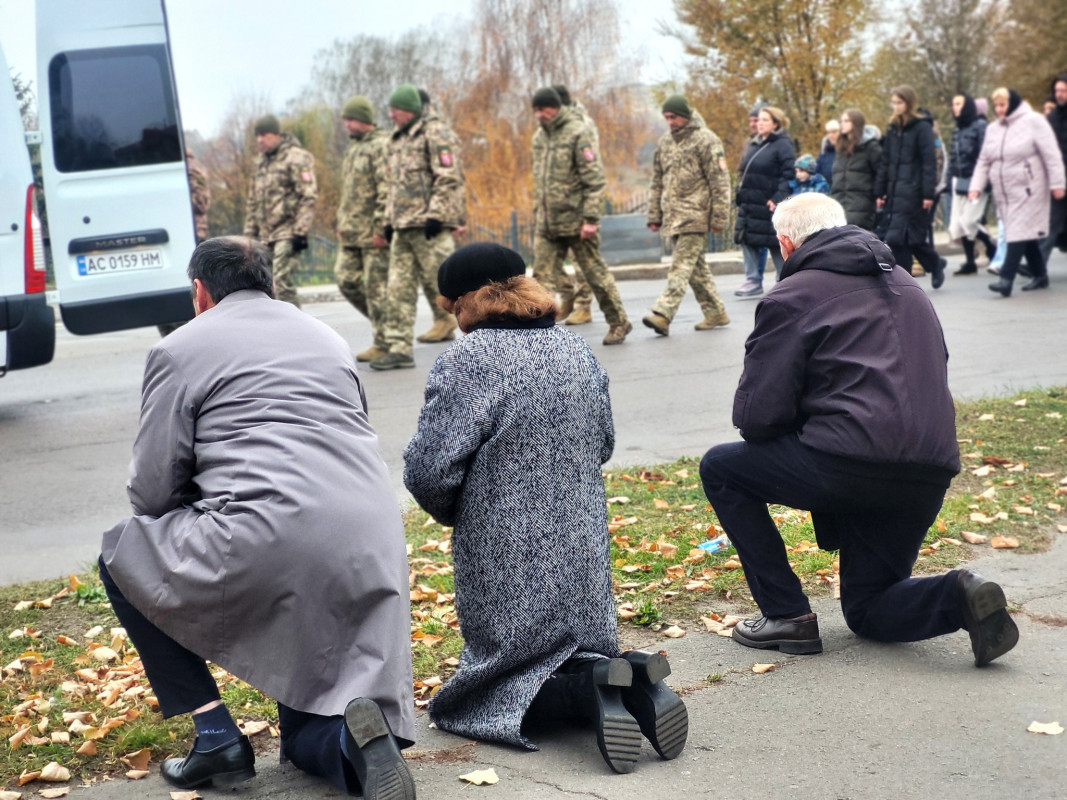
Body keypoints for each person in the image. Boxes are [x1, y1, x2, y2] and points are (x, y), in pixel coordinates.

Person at [99, 236, 416, 798]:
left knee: (122, 553)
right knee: (302, 738)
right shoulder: (328, 337)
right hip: (372, 537)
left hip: (266, 536)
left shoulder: (181, 347)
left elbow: (151, 493)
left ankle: (215, 733)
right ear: (269, 282)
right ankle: (359, 743)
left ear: (200, 292)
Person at [699, 193, 1019, 668]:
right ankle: (958, 595)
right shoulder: (909, 287)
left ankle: (786, 615)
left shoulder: (791, 295)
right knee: (868, 609)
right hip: (928, 471)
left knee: (722, 468)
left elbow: (757, 416)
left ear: (786, 245)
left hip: (846, 463)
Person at [403, 242, 687, 773]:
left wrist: (457, 512)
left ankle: (586, 694)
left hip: (505, 549)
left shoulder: (467, 359)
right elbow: (602, 442)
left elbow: (428, 471)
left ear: (464, 301)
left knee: (486, 689)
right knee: (574, 641)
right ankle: (627, 677)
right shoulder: (572, 348)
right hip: (582, 544)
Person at [372, 83, 467, 370]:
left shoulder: (434, 134)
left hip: (430, 228)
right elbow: (390, 186)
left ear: (410, 110)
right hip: (403, 228)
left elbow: (447, 177)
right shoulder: (395, 140)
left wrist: (436, 215)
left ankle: (479, 341)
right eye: (389, 110)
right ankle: (399, 347)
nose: (391, 116)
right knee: (397, 290)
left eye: (396, 110)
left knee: (451, 287)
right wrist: (387, 222)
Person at [530, 87, 631, 345]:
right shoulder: (539, 139)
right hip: (548, 224)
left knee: (594, 274)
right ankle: (534, 333)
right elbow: (540, 182)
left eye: (544, 109)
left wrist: (590, 219)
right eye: (536, 110)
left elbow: (595, 181)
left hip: (576, 221)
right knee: (540, 278)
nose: (540, 115)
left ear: (556, 108)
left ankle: (618, 321)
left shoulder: (578, 132)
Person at [642, 94, 731, 336]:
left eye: (674, 116)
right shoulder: (665, 143)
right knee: (695, 269)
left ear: (686, 115)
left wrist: (720, 217)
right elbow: (657, 180)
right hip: (673, 217)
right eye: (666, 117)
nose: (670, 121)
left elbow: (720, 181)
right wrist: (654, 214)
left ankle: (663, 314)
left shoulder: (706, 140)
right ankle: (715, 312)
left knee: (680, 267)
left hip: (696, 215)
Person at [970, 88, 1066, 297]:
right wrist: (976, 186)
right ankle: (1040, 275)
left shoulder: (1034, 121)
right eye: (996, 106)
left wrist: (1058, 184)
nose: (998, 110)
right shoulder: (993, 129)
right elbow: (984, 160)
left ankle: (1006, 279)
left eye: (1002, 105)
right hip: (1004, 192)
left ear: (1012, 103)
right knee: (1025, 233)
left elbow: (1051, 154)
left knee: (1017, 231)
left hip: (1030, 188)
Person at [334, 95, 391, 362]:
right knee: (345, 279)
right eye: (345, 119)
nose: (347, 124)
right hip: (351, 232)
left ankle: (384, 341)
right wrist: (340, 223)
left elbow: (386, 189)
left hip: (372, 234)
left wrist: (381, 228)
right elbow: (349, 192)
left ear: (365, 119)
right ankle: (387, 324)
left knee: (376, 287)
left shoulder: (381, 145)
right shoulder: (354, 148)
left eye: (351, 119)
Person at [874, 86, 946, 289]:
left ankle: (907, 284)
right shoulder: (893, 128)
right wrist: (880, 191)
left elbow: (928, 162)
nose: (895, 106)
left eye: (899, 102)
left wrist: (927, 193)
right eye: (894, 102)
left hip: (914, 191)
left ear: (908, 103)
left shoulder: (921, 128)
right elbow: (885, 161)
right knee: (900, 238)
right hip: (895, 190)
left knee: (903, 238)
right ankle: (932, 264)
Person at [242, 114, 317, 307]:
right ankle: (277, 330)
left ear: (276, 135)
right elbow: (253, 202)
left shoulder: (296, 157)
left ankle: (297, 330)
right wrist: (247, 239)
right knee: (264, 286)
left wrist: (300, 231)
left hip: (288, 231)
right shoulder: (260, 164)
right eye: (257, 136)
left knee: (281, 282)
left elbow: (308, 195)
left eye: (264, 135)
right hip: (265, 236)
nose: (260, 140)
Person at [546, 83, 595, 325]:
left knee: (581, 260)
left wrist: (589, 212)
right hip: (556, 204)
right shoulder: (552, 128)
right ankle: (567, 296)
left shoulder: (581, 124)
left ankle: (584, 306)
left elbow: (589, 166)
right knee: (549, 258)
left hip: (577, 202)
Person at [734, 105, 795, 297]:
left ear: (775, 123)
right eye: (759, 120)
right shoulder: (754, 144)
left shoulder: (783, 144)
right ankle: (752, 280)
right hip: (751, 202)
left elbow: (789, 175)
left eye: (765, 120)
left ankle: (785, 280)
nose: (760, 123)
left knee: (775, 242)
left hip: (770, 202)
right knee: (747, 239)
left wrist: (778, 197)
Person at [158, 148, 211, 337]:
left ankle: (195, 334)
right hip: (172, 236)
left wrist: (175, 199)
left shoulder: (192, 169)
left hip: (193, 235)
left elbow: (201, 201)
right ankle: (176, 336)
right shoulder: (164, 169)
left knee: (195, 287)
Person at [946, 94, 997, 275]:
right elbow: (954, 157)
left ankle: (992, 247)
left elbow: (987, 155)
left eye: (958, 103)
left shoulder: (981, 126)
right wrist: (949, 179)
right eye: (953, 104)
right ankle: (970, 262)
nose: (955, 107)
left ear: (967, 106)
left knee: (969, 221)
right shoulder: (957, 128)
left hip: (977, 181)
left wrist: (986, 182)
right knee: (959, 225)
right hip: (960, 181)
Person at [830, 109, 882, 230]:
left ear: (856, 123)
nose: (842, 124)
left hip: (862, 206)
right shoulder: (841, 148)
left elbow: (881, 173)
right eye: (841, 121)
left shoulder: (871, 147)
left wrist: (878, 195)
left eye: (846, 120)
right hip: (839, 206)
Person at [1039, 75, 1067, 263]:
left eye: (1063, 90)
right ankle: (1038, 267)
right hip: (1059, 181)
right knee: (1051, 223)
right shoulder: (1051, 118)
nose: (1059, 94)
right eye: (1057, 91)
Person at [815, 119, 838, 188]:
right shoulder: (824, 152)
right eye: (829, 132)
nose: (831, 135)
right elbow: (818, 173)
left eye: (834, 132)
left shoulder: (848, 151)